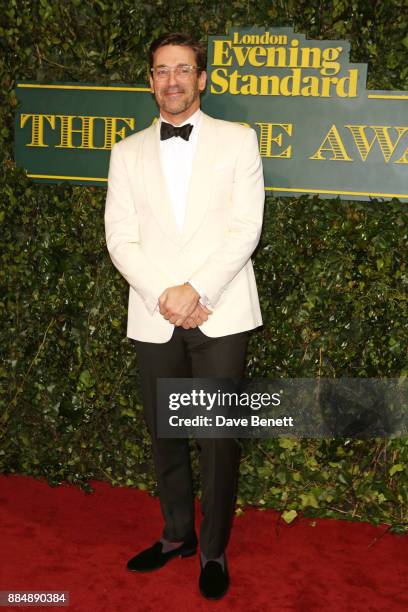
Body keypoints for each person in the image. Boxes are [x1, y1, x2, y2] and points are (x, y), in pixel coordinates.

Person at [104, 32, 265, 600]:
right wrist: (165, 295)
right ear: (150, 80)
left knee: (218, 438)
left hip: (220, 310)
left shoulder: (238, 141)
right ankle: (177, 535)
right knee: (165, 433)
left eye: (183, 70)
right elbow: (120, 239)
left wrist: (196, 290)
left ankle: (214, 550)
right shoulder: (125, 153)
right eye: (160, 71)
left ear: (201, 78)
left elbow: (246, 229)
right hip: (154, 313)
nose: (171, 80)